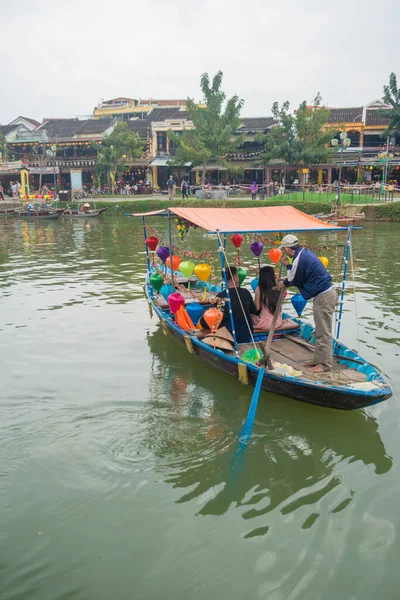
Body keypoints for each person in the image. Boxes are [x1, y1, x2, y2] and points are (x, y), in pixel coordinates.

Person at [277, 234, 337, 373]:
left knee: (324, 333)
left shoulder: (299, 258)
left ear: (286, 249)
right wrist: (289, 266)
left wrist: (284, 282)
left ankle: (324, 365)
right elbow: (299, 274)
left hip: (324, 297)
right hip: (322, 295)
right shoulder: (303, 254)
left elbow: (293, 279)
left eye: (283, 249)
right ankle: (318, 360)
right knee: (320, 331)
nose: (283, 252)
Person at [199, 267, 257, 343]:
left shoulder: (221, 295)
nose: (238, 277)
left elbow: (215, 314)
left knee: (204, 319)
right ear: (234, 277)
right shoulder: (245, 292)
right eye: (237, 275)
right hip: (246, 331)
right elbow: (254, 310)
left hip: (229, 330)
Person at [252, 265, 284, 330]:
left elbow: (257, 308)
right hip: (277, 321)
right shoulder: (278, 288)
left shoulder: (259, 289)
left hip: (265, 323)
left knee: (250, 316)